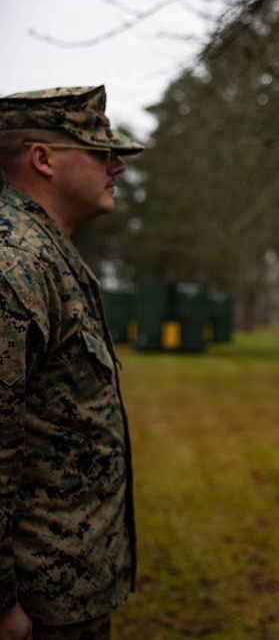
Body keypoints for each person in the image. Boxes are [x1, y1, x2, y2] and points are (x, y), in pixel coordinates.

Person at [0, 86, 143, 640]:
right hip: (35, 607)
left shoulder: (49, 252)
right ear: (43, 159)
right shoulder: (16, 264)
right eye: (101, 151)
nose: (118, 168)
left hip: (66, 591)